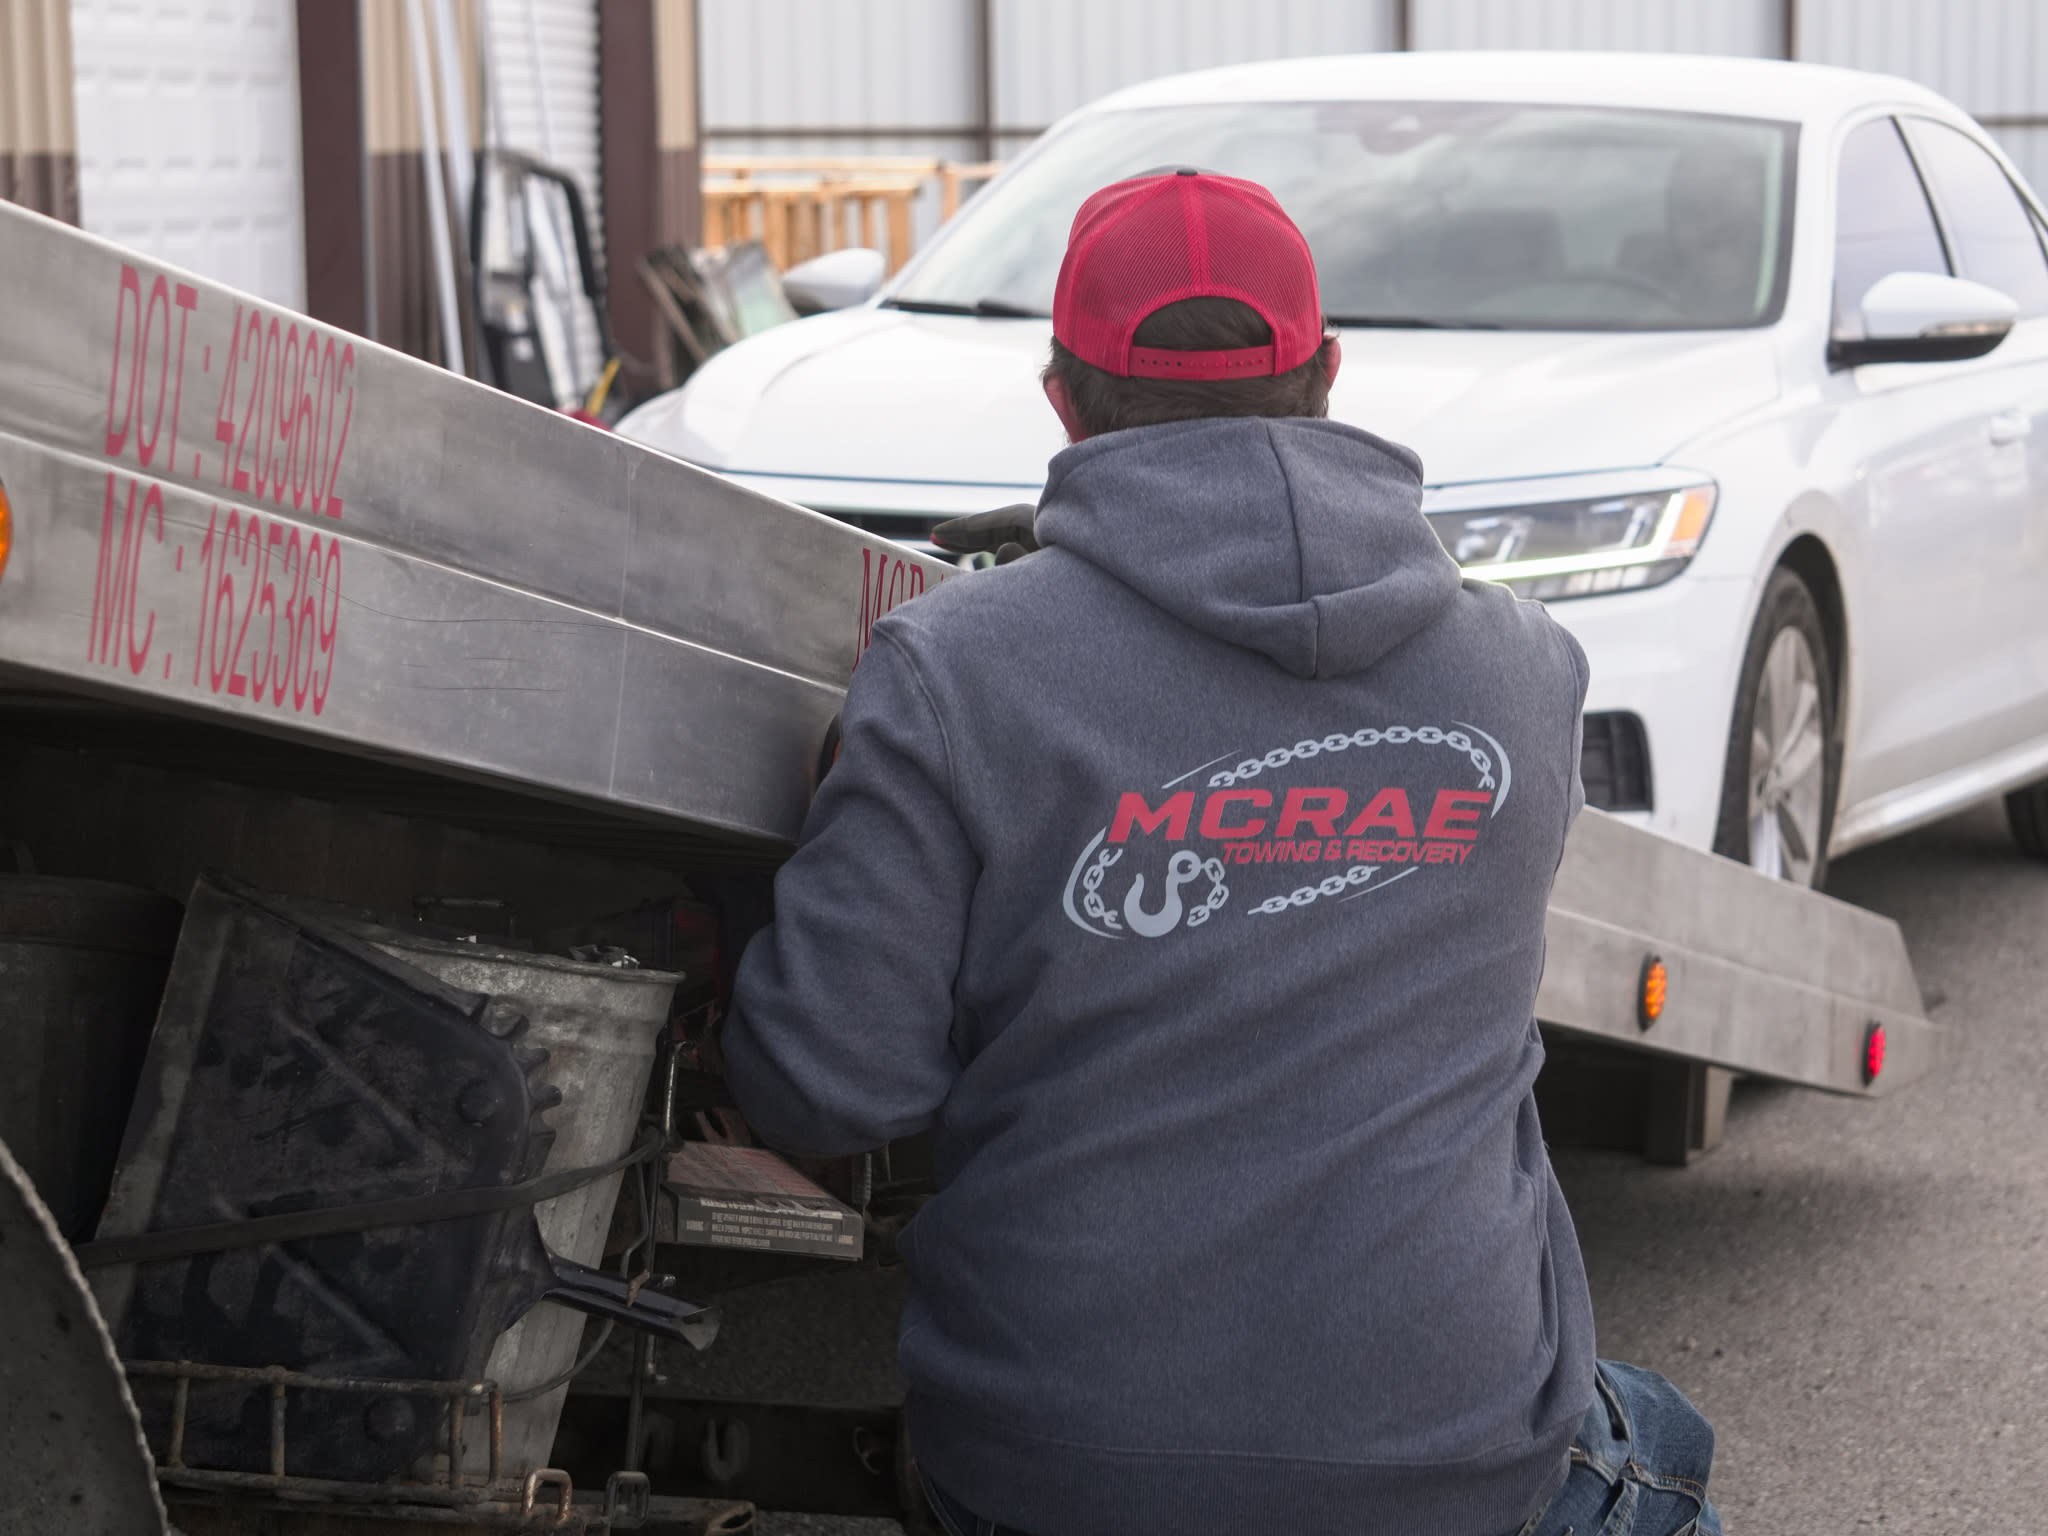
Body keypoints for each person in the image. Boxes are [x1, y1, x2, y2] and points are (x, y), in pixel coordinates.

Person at [720, 169, 1721, 1536]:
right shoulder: (1525, 672)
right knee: (1659, 1433)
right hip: (1457, 1467)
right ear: (1326, 377)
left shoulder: (955, 673)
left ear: (1062, 396)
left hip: (1062, 1476)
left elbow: (827, 1086)